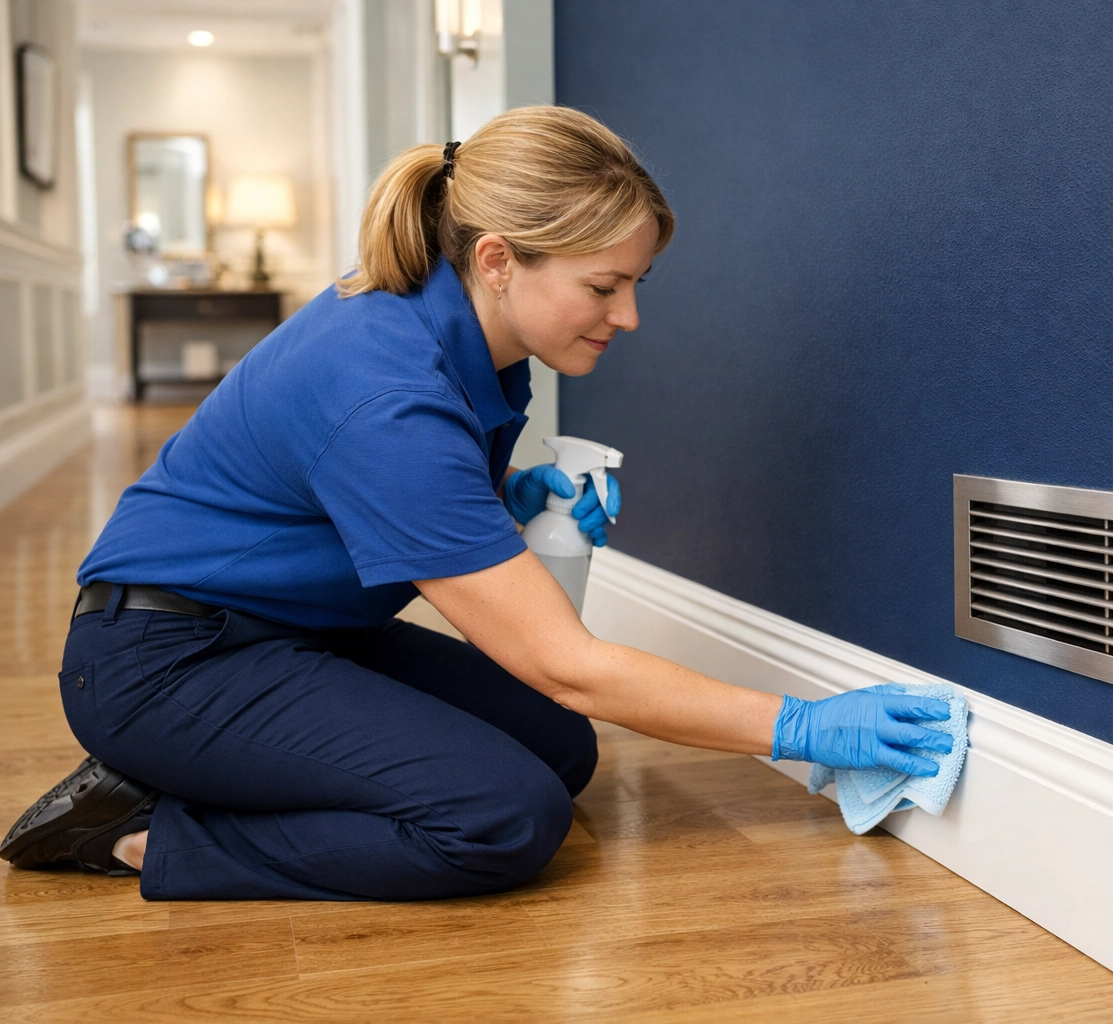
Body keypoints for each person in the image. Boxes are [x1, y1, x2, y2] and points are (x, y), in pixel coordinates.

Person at [0, 107, 952, 901]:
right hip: (164, 664)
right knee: (504, 817)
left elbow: (367, 495)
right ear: (499, 260)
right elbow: (567, 661)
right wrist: (802, 727)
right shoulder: (384, 392)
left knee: (558, 750)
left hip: (298, 629)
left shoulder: (463, 334)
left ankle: (223, 771)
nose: (628, 317)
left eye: (635, 284)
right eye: (604, 286)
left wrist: (505, 493)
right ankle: (139, 829)